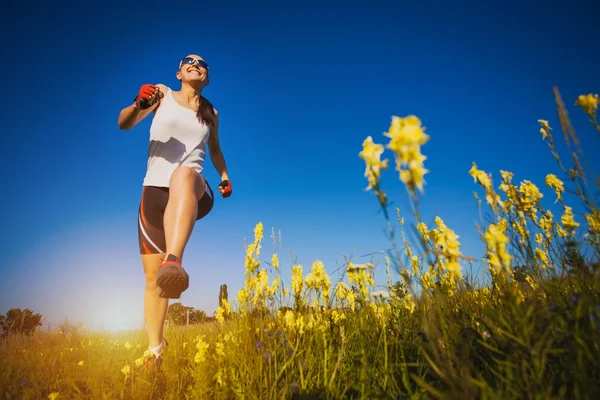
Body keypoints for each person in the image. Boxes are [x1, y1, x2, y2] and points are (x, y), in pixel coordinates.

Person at [117, 54, 232, 369]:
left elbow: (216, 151)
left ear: (206, 77)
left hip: (193, 189)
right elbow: (124, 123)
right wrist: (139, 105)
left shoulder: (211, 113)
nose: (195, 63)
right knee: (154, 280)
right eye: (188, 61)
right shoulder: (162, 94)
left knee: (182, 174)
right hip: (153, 194)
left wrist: (223, 176)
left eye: (202, 62)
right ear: (179, 72)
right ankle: (155, 351)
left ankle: (175, 260)